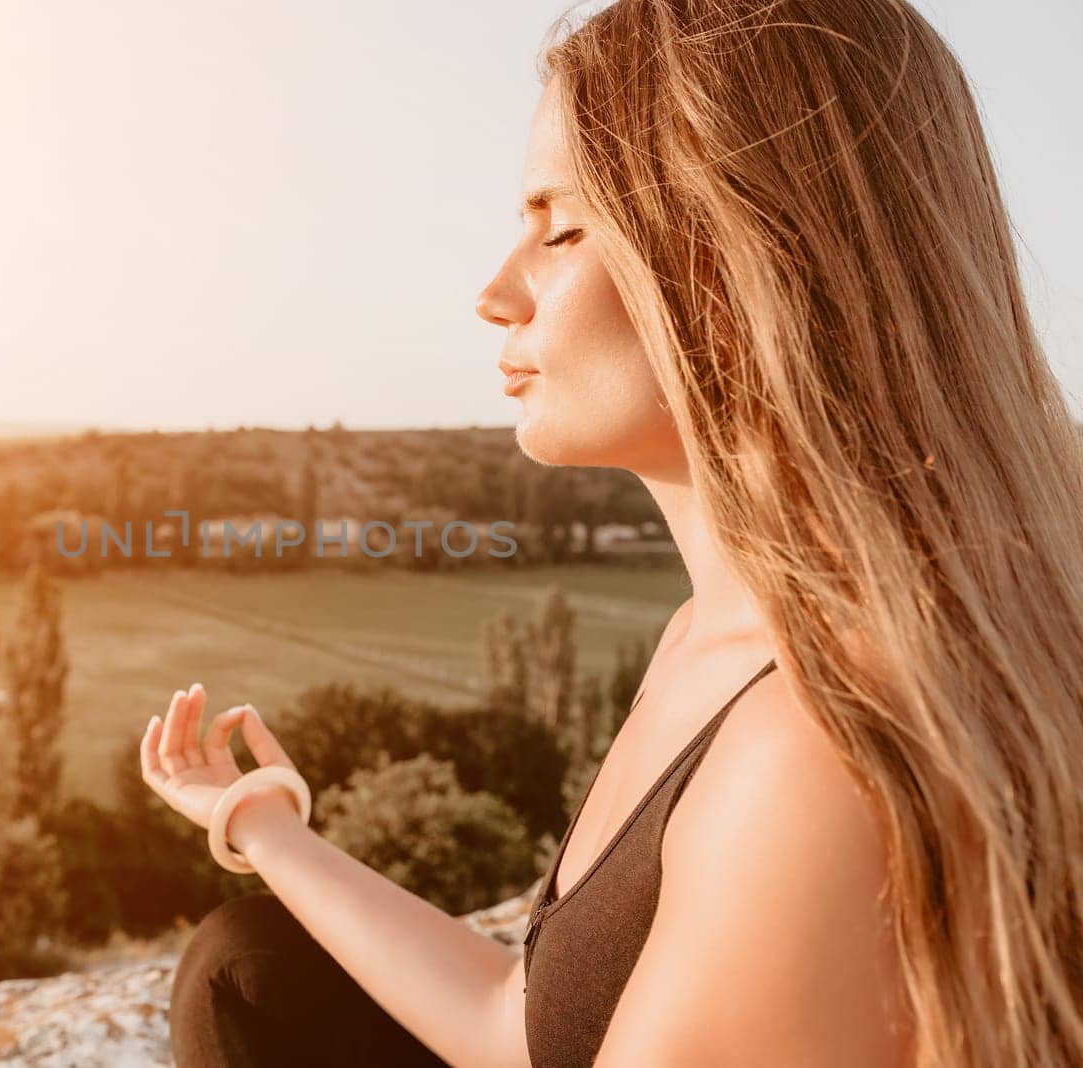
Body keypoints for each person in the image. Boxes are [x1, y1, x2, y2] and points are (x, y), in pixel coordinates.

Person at [136, 1, 1083, 1065]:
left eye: (561, 227)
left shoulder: (817, 749)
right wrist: (260, 823)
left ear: (744, 261)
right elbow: (522, 1025)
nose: (496, 292)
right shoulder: (710, 642)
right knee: (251, 966)